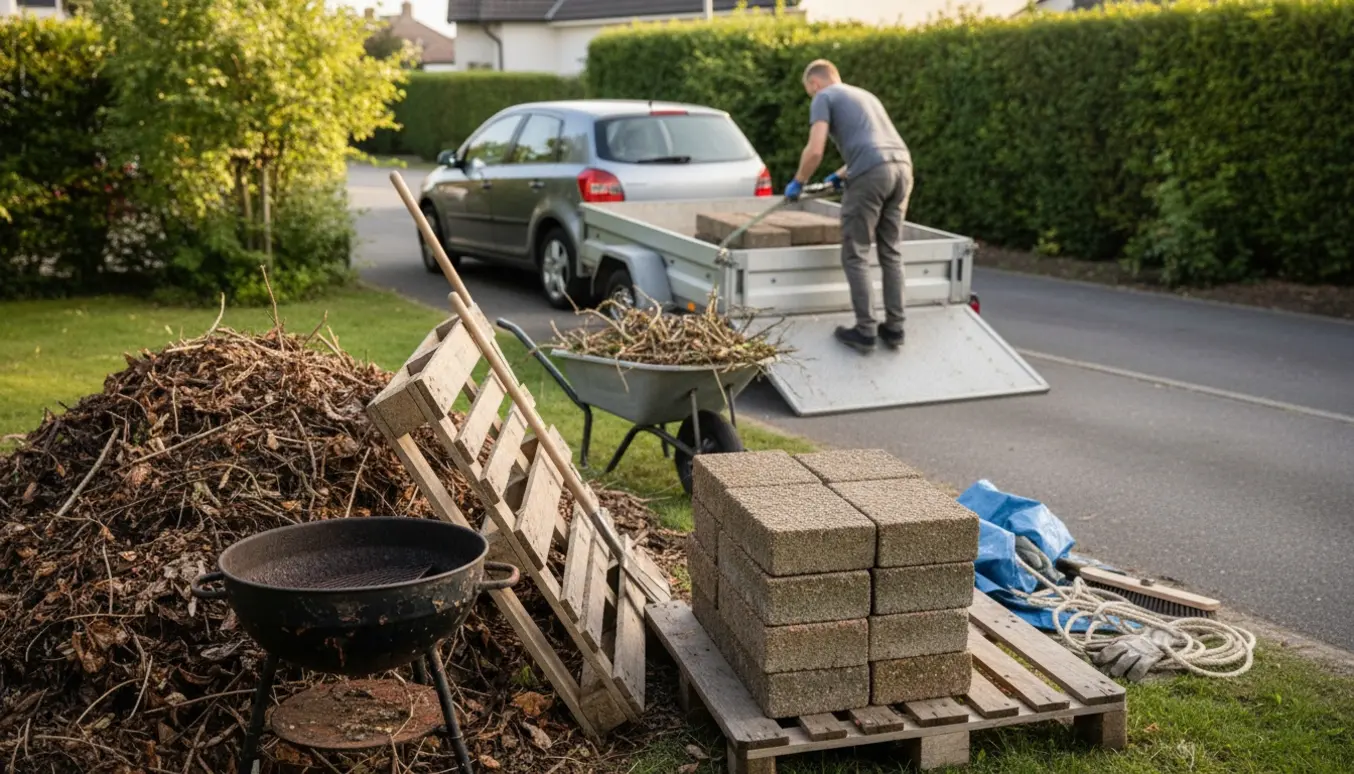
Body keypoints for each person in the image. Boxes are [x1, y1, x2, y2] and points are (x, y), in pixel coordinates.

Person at [785, 59, 914, 353]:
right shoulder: (865, 95)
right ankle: (895, 328)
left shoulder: (823, 97)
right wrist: (841, 174)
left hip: (871, 173)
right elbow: (877, 145)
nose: (811, 96)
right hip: (902, 168)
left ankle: (865, 331)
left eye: (809, 91)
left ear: (814, 83)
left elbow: (816, 149)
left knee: (855, 252)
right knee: (891, 251)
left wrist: (799, 181)